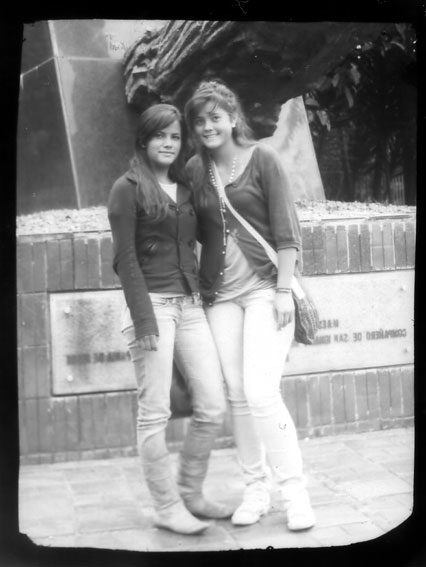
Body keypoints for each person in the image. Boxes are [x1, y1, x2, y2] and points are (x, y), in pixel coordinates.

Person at [183, 80, 316, 531]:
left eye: (215, 118)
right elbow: (188, 230)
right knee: (238, 395)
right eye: (199, 121)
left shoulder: (263, 159)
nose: (207, 127)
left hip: (265, 289)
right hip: (220, 296)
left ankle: (294, 494)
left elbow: (288, 233)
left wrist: (283, 291)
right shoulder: (195, 171)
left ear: (233, 117)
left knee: (261, 392)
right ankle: (256, 490)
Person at [107, 103, 233, 536]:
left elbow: (210, 238)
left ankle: (190, 493)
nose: (168, 143)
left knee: (212, 405)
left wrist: (208, 289)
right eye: (160, 135)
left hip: (190, 305)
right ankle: (165, 506)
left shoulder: (185, 188)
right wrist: (144, 322)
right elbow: (125, 259)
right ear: (143, 140)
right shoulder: (126, 188)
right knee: (154, 412)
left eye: (175, 136)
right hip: (152, 308)